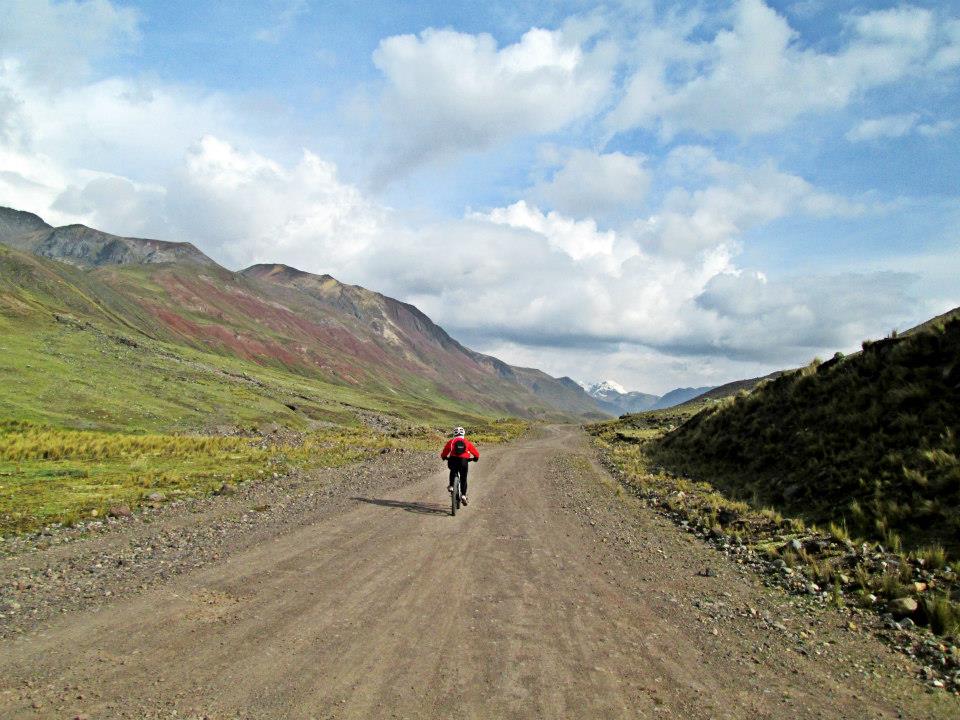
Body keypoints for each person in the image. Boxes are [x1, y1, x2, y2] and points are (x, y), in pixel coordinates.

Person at [440, 426, 479, 506]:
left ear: (454, 433)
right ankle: (464, 496)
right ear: (463, 433)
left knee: (453, 471)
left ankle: (451, 486)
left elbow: (445, 451)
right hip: (464, 462)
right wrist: (475, 458)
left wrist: (444, 457)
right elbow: (476, 453)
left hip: (453, 460)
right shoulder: (466, 442)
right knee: (463, 478)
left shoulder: (451, 441)